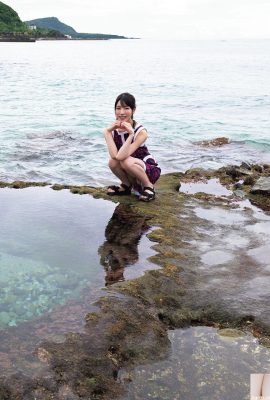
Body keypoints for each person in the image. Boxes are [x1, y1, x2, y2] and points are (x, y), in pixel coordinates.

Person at [104, 93, 161, 201]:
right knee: (112, 162)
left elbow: (121, 156)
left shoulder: (141, 132)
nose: (121, 112)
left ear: (133, 110)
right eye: (118, 108)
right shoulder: (112, 130)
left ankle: (149, 186)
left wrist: (131, 134)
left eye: (126, 108)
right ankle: (126, 185)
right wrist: (107, 132)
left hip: (147, 169)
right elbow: (114, 156)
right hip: (128, 169)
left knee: (126, 161)